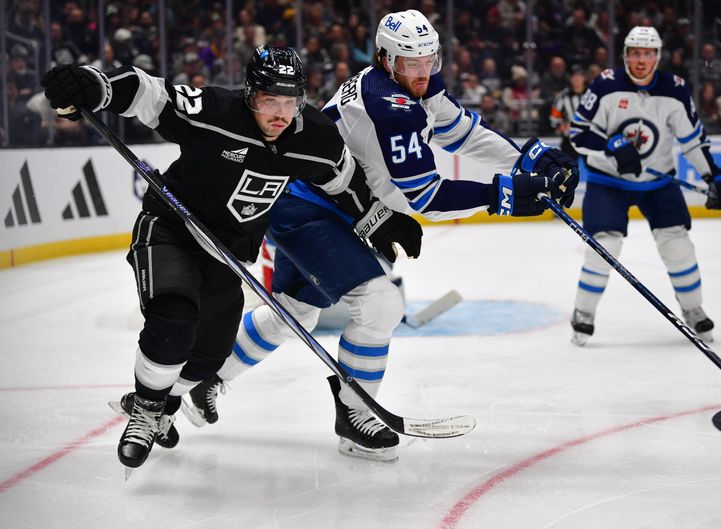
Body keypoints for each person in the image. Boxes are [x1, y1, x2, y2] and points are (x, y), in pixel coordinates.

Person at [185, 9, 579, 463]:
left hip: (316, 201)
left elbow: (464, 133)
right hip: (312, 206)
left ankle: (207, 381)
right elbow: (424, 197)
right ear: (386, 60)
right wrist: (507, 196)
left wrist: (527, 160)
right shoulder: (388, 109)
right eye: (412, 64)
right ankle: (355, 415)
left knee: (297, 312)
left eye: (429, 61)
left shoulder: (407, 84)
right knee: (379, 304)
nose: (422, 73)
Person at [40, 45, 420, 469]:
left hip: (227, 255)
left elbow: (345, 184)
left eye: (290, 101)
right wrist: (94, 85)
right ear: (249, 94)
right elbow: (150, 95)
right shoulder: (215, 111)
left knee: (209, 358)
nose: (280, 113)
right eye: (268, 100)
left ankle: (160, 404)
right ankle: (148, 410)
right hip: (171, 228)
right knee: (175, 316)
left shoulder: (312, 136)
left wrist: (382, 220)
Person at [567, 26, 721, 347]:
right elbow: (577, 134)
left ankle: (694, 309)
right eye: (635, 53)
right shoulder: (605, 85)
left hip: (657, 181)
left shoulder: (675, 90)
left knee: (677, 243)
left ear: (657, 56)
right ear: (625, 55)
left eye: (647, 54)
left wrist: (715, 176)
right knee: (604, 246)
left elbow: (692, 141)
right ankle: (583, 313)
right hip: (608, 180)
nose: (641, 60)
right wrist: (613, 145)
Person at [549, 64, 587, 160]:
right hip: (569, 141)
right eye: (574, 76)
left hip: (589, 139)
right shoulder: (562, 96)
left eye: (579, 76)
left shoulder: (592, 94)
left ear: (584, 78)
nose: (576, 79)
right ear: (570, 78)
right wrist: (561, 125)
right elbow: (554, 117)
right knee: (570, 170)